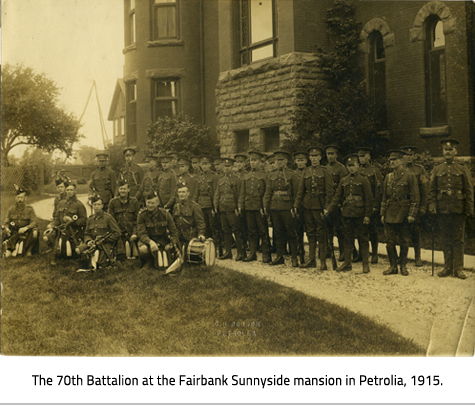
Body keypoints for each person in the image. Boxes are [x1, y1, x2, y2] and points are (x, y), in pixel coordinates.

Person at [428, 139, 474, 279]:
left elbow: (469, 190)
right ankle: (447, 267)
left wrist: (469, 208)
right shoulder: (437, 169)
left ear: (455, 151)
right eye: (445, 150)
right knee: (445, 238)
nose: (447, 152)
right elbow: (432, 190)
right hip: (442, 209)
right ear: (443, 152)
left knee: (458, 239)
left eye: (450, 150)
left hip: (458, 208)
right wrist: (432, 206)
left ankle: (458, 269)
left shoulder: (462, 168)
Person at [325, 154, 373, 273]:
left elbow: (369, 199)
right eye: (349, 166)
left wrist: (367, 215)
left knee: (363, 238)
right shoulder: (344, 180)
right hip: (347, 214)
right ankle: (347, 263)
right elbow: (337, 197)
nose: (351, 168)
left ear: (358, 166)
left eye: (353, 165)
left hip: (360, 214)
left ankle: (365, 264)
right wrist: (328, 209)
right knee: (348, 239)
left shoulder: (363, 179)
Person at [380, 150, 420, 276]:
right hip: (390, 211)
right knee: (389, 241)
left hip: (404, 212)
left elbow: (415, 197)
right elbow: (384, 197)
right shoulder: (388, 177)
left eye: (394, 160)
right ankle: (393, 266)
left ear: (401, 161)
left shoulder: (409, 176)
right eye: (390, 160)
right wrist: (382, 213)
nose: (391, 162)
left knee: (404, 240)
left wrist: (412, 214)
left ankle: (403, 265)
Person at [295, 147, 334, 270]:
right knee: (310, 233)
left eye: (316, 156)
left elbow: (329, 191)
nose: (314, 158)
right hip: (307, 206)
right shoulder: (306, 172)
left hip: (320, 206)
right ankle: (311, 260)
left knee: (321, 233)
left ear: (320, 157)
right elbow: (301, 191)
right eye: (312, 156)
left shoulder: (325, 171)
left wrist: (327, 207)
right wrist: (296, 205)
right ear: (309, 158)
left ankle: (322, 261)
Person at [263, 151, 300, 267]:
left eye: (282, 160)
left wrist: (295, 207)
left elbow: (296, 193)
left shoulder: (292, 175)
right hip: (274, 207)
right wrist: (265, 206)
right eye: (278, 160)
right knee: (277, 232)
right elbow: (268, 192)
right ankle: (279, 257)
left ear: (286, 161)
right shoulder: (271, 175)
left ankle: (294, 258)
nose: (279, 163)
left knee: (291, 232)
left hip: (287, 207)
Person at [238, 150, 270, 263]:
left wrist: (264, 206)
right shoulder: (246, 176)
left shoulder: (264, 176)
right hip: (248, 206)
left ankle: (266, 254)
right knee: (251, 231)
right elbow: (242, 193)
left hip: (259, 207)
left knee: (262, 230)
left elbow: (267, 192)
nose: (253, 162)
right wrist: (241, 206)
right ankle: (252, 253)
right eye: (251, 160)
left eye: (255, 160)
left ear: (260, 162)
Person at [400, 146, 429, 267]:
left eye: (410, 155)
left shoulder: (419, 169)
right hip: (402, 206)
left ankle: (418, 257)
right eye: (406, 155)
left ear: (414, 156)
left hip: (415, 205)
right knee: (402, 232)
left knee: (415, 232)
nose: (408, 157)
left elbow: (425, 189)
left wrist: (422, 207)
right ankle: (403, 257)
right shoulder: (399, 169)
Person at [75, 195, 121, 269]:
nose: (97, 207)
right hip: (92, 243)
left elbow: (117, 233)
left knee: (100, 263)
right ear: (92, 206)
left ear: (102, 206)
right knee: (78, 250)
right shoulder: (90, 219)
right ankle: (87, 261)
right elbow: (87, 233)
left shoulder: (108, 218)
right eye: (95, 204)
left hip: (105, 244)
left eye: (99, 204)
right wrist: (88, 241)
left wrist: (104, 239)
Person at [137, 192, 180, 270]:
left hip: (163, 240)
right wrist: (150, 242)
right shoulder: (141, 215)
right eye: (148, 202)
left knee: (167, 262)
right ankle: (149, 261)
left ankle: (162, 259)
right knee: (143, 249)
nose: (150, 205)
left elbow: (174, 231)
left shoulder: (166, 214)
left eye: (152, 203)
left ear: (157, 203)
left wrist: (171, 243)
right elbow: (141, 233)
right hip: (148, 240)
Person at [213, 157, 245, 261]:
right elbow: (217, 194)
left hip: (232, 208)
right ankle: (228, 252)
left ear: (232, 167)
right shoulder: (220, 180)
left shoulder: (237, 179)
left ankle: (240, 252)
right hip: (222, 207)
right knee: (225, 230)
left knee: (236, 230)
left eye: (228, 166)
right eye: (225, 166)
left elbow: (240, 194)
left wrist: (239, 207)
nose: (226, 168)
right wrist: (215, 206)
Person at [48, 183, 87, 264]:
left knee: (69, 250)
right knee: (49, 236)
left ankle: (68, 253)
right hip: (62, 230)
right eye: (68, 190)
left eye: (71, 190)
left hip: (74, 231)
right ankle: (57, 253)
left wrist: (73, 222)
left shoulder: (79, 205)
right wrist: (53, 225)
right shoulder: (61, 203)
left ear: (75, 191)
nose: (69, 192)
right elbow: (57, 218)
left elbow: (84, 220)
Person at [356, 147, 383, 264]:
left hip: (370, 205)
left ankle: (375, 253)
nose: (361, 159)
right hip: (359, 205)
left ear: (369, 157)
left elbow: (379, 190)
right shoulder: (356, 170)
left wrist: (375, 205)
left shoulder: (374, 171)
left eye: (364, 156)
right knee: (360, 230)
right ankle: (362, 254)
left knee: (372, 230)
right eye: (360, 156)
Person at [324, 144, 348, 261]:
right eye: (328, 154)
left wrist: (341, 202)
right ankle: (329, 250)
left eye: (332, 153)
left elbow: (344, 186)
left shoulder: (341, 168)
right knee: (327, 227)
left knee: (339, 228)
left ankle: (343, 252)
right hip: (327, 203)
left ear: (336, 155)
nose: (330, 156)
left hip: (337, 203)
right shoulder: (324, 168)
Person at [108, 180, 141, 261]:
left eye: (124, 189)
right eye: (121, 189)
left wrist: (134, 233)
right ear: (118, 190)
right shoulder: (113, 202)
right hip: (119, 233)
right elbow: (111, 221)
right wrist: (117, 233)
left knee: (139, 251)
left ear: (128, 190)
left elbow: (138, 220)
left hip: (131, 232)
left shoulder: (134, 202)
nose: (122, 191)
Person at [3, 185, 39, 257]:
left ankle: (28, 250)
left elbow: (34, 222)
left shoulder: (29, 209)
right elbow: (6, 222)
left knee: (34, 231)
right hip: (14, 232)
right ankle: (10, 249)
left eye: (21, 197)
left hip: (26, 233)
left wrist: (26, 228)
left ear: (25, 198)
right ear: (15, 198)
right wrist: (7, 229)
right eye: (18, 197)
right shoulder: (11, 209)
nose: (20, 199)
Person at [173, 184, 207, 259]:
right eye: (179, 192)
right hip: (179, 236)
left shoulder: (195, 206)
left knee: (187, 256)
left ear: (188, 193)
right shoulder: (176, 206)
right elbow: (174, 222)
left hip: (190, 236)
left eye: (183, 192)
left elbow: (200, 222)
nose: (181, 194)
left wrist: (201, 234)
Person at [196, 155, 221, 253]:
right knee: (204, 226)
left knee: (213, 226)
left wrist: (214, 207)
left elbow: (216, 192)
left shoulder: (214, 176)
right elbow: (197, 192)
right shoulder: (200, 176)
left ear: (210, 165)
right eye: (202, 164)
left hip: (210, 204)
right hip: (201, 204)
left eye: (206, 164)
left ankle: (215, 247)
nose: (204, 166)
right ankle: (206, 247)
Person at [43, 173, 70, 252]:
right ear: (56, 188)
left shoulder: (68, 199)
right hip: (58, 224)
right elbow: (55, 215)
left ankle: (59, 248)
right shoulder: (57, 199)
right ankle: (53, 248)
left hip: (67, 226)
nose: (60, 189)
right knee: (45, 236)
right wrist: (52, 224)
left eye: (62, 187)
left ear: (65, 188)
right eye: (58, 187)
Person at [293, 151, 309, 264]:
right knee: (298, 228)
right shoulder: (293, 174)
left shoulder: (310, 172)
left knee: (310, 229)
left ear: (306, 161)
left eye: (302, 160)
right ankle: (300, 248)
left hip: (309, 205)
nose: (300, 162)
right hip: (297, 205)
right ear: (295, 162)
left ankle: (314, 252)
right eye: (298, 160)